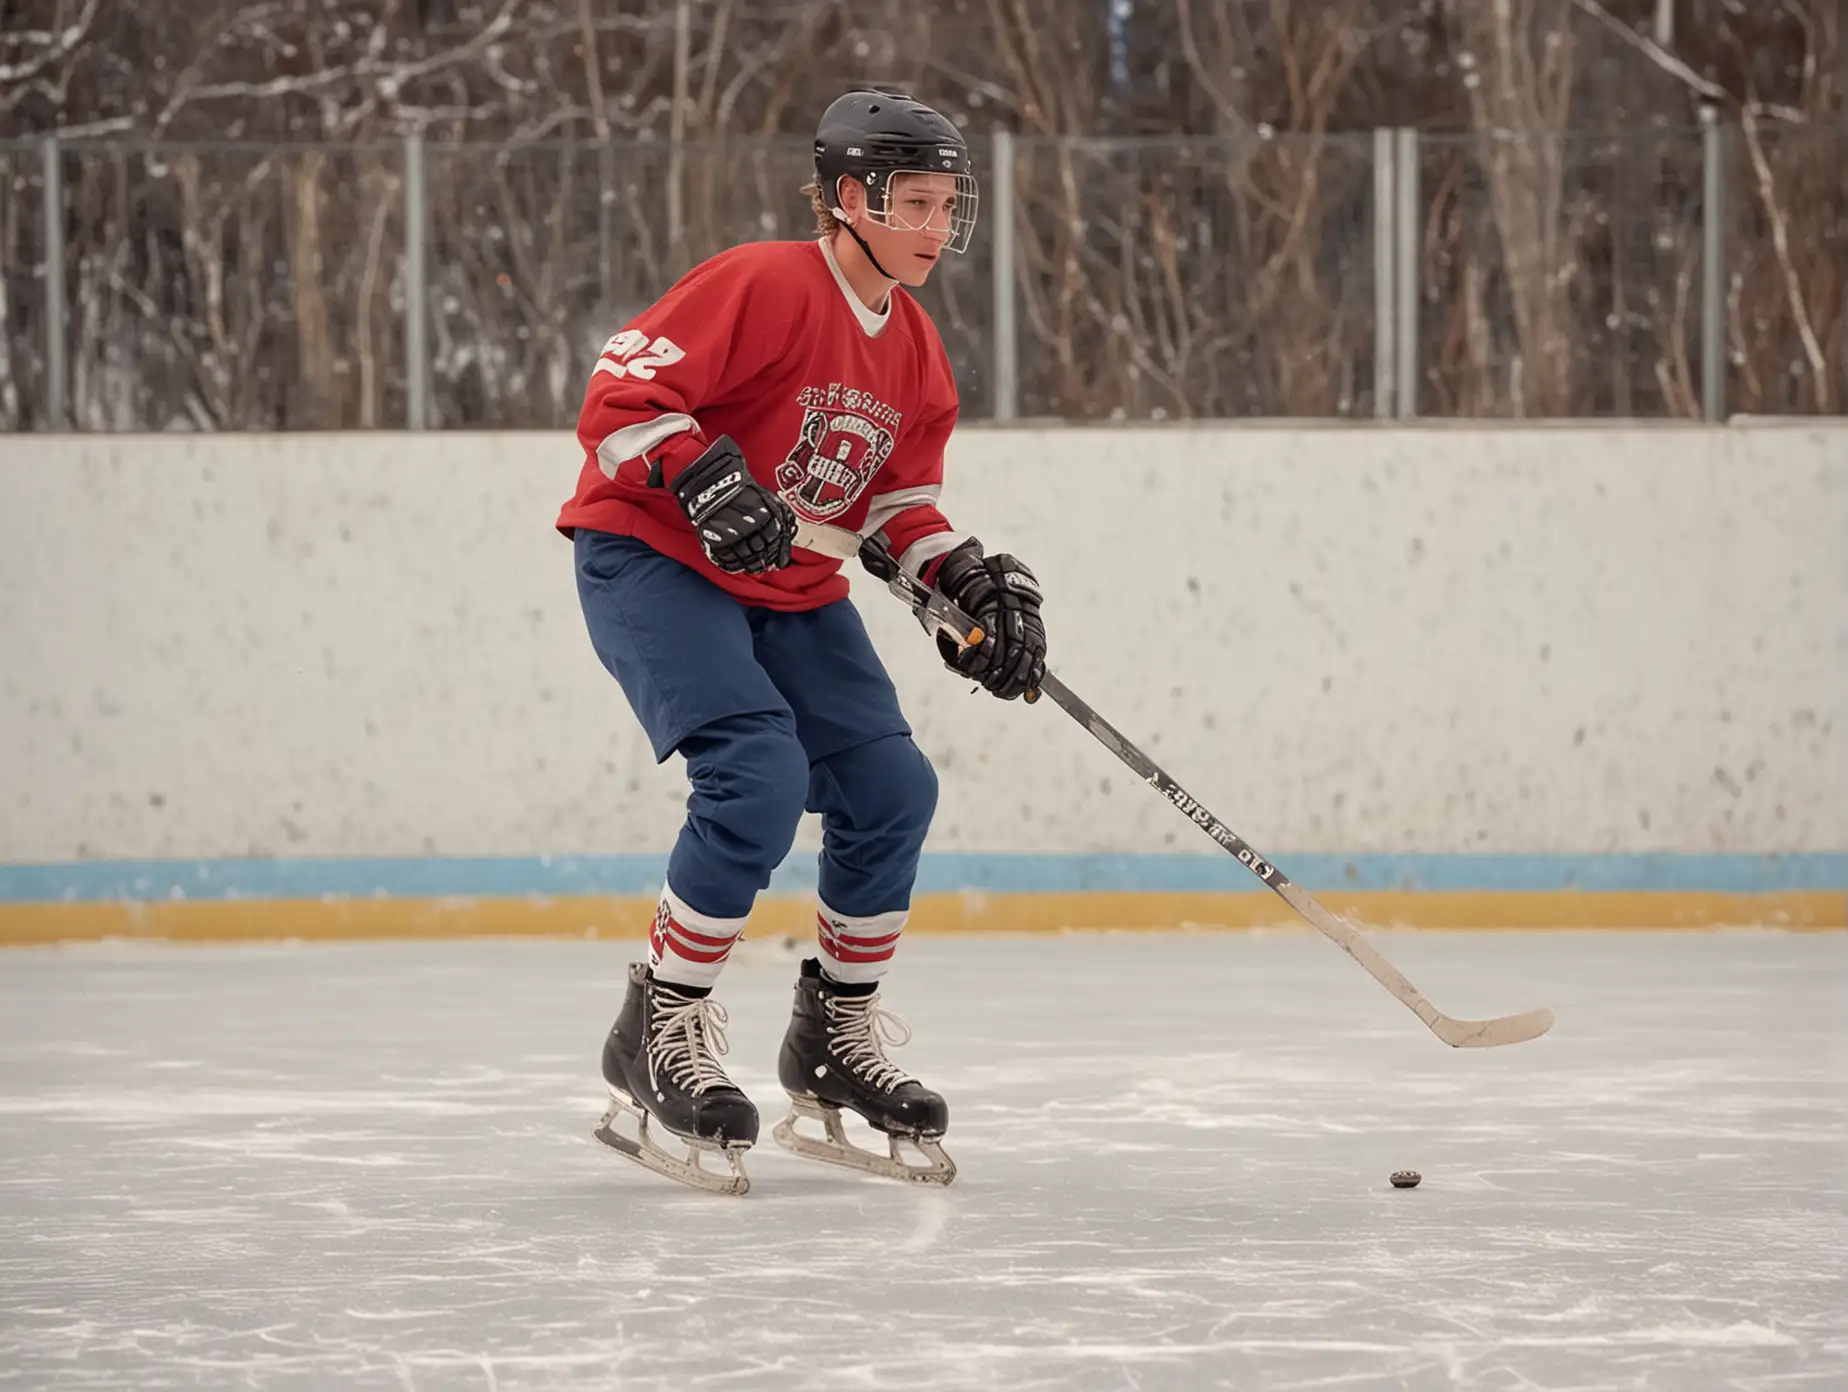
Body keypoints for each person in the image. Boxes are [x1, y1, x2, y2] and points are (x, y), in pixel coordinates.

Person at [556, 88, 1050, 1196]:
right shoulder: (764, 282)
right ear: (846, 199)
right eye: (914, 202)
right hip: (654, 556)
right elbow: (619, 400)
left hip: (787, 584)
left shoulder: (916, 349)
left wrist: (959, 583)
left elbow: (891, 509)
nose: (935, 227)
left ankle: (833, 1036)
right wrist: (699, 467)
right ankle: (659, 1029)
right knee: (758, 774)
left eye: (946, 205)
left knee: (891, 786)